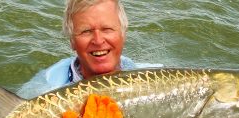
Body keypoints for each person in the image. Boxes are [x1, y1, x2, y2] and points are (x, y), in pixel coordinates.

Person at [18, 0, 159, 99]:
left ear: (123, 34)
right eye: (86, 31)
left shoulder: (156, 80)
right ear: (72, 41)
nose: (98, 41)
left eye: (107, 29)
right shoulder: (46, 87)